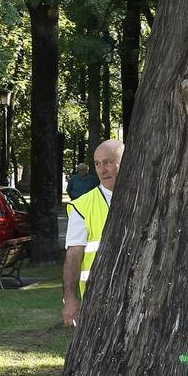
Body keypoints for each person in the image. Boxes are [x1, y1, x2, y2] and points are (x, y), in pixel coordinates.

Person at [63, 139, 124, 326]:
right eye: (97, 164)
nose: (102, 169)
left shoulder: (145, 197)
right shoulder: (82, 206)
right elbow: (73, 256)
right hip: (96, 298)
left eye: (108, 162)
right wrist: (70, 299)